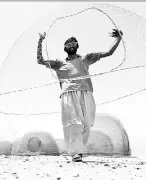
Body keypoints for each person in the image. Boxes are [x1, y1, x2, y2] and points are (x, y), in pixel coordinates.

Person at [37, 29, 123, 162]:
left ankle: (78, 150)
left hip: (86, 92)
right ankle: (75, 153)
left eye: (73, 43)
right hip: (68, 94)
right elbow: (40, 60)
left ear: (77, 46)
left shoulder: (86, 58)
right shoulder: (59, 63)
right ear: (65, 48)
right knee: (73, 123)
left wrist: (118, 38)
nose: (71, 45)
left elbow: (109, 53)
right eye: (68, 43)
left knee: (87, 124)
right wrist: (40, 41)